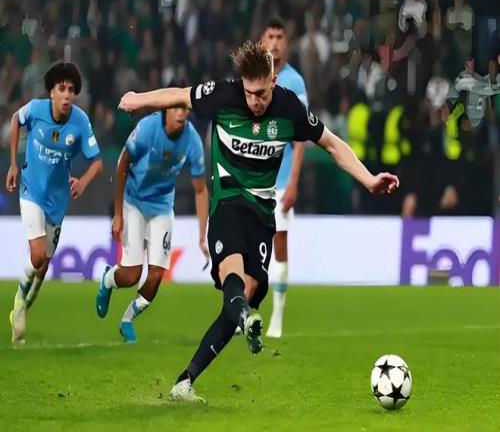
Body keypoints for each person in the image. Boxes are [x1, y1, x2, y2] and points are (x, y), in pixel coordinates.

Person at [118, 41, 399, 403]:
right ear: (242, 84)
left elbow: (331, 144)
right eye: (250, 93)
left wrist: (369, 179)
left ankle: (185, 382)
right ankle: (241, 320)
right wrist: (138, 99)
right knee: (232, 276)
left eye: (262, 93)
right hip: (227, 202)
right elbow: (178, 95)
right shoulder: (223, 95)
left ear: (273, 81)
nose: (255, 101)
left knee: (246, 294)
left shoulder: (289, 108)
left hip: (263, 212)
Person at [5, 61, 103, 344]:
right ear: (51, 92)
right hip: (31, 190)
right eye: (62, 88)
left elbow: (97, 162)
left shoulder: (80, 122)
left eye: (71, 90)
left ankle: (24, 306)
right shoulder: (36, 109)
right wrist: (13, 164)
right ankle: (19, 302)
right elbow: (15, 119)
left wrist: (82, 182)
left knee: (43, 267)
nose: (67, 95)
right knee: (37, 256)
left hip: (57, 201)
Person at [95, 104, 209, 344]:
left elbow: (200, 189)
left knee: (156, 276)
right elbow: (123, 162)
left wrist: (202, 236)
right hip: (134, 202)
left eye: (185, 108)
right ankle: (108, 279)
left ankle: (127, 320)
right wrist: (118, 214)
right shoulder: (148, 128)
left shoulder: (192, 140)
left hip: (162, 208)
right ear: (166, 110)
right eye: (176, 108)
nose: (181, 113)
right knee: (131, 276)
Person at [260, 17, 308, 338]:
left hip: (279, 180)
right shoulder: (252, 76)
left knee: (279, 241)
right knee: (246, 245)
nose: (275, 42)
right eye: (271, 36)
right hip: (251, 177)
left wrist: (293, 182)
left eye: (280, 36)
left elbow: (301, 136)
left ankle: (277, 316)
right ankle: (243, 312)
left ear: (286, 43)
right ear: (262, 41)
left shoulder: (295, 82)